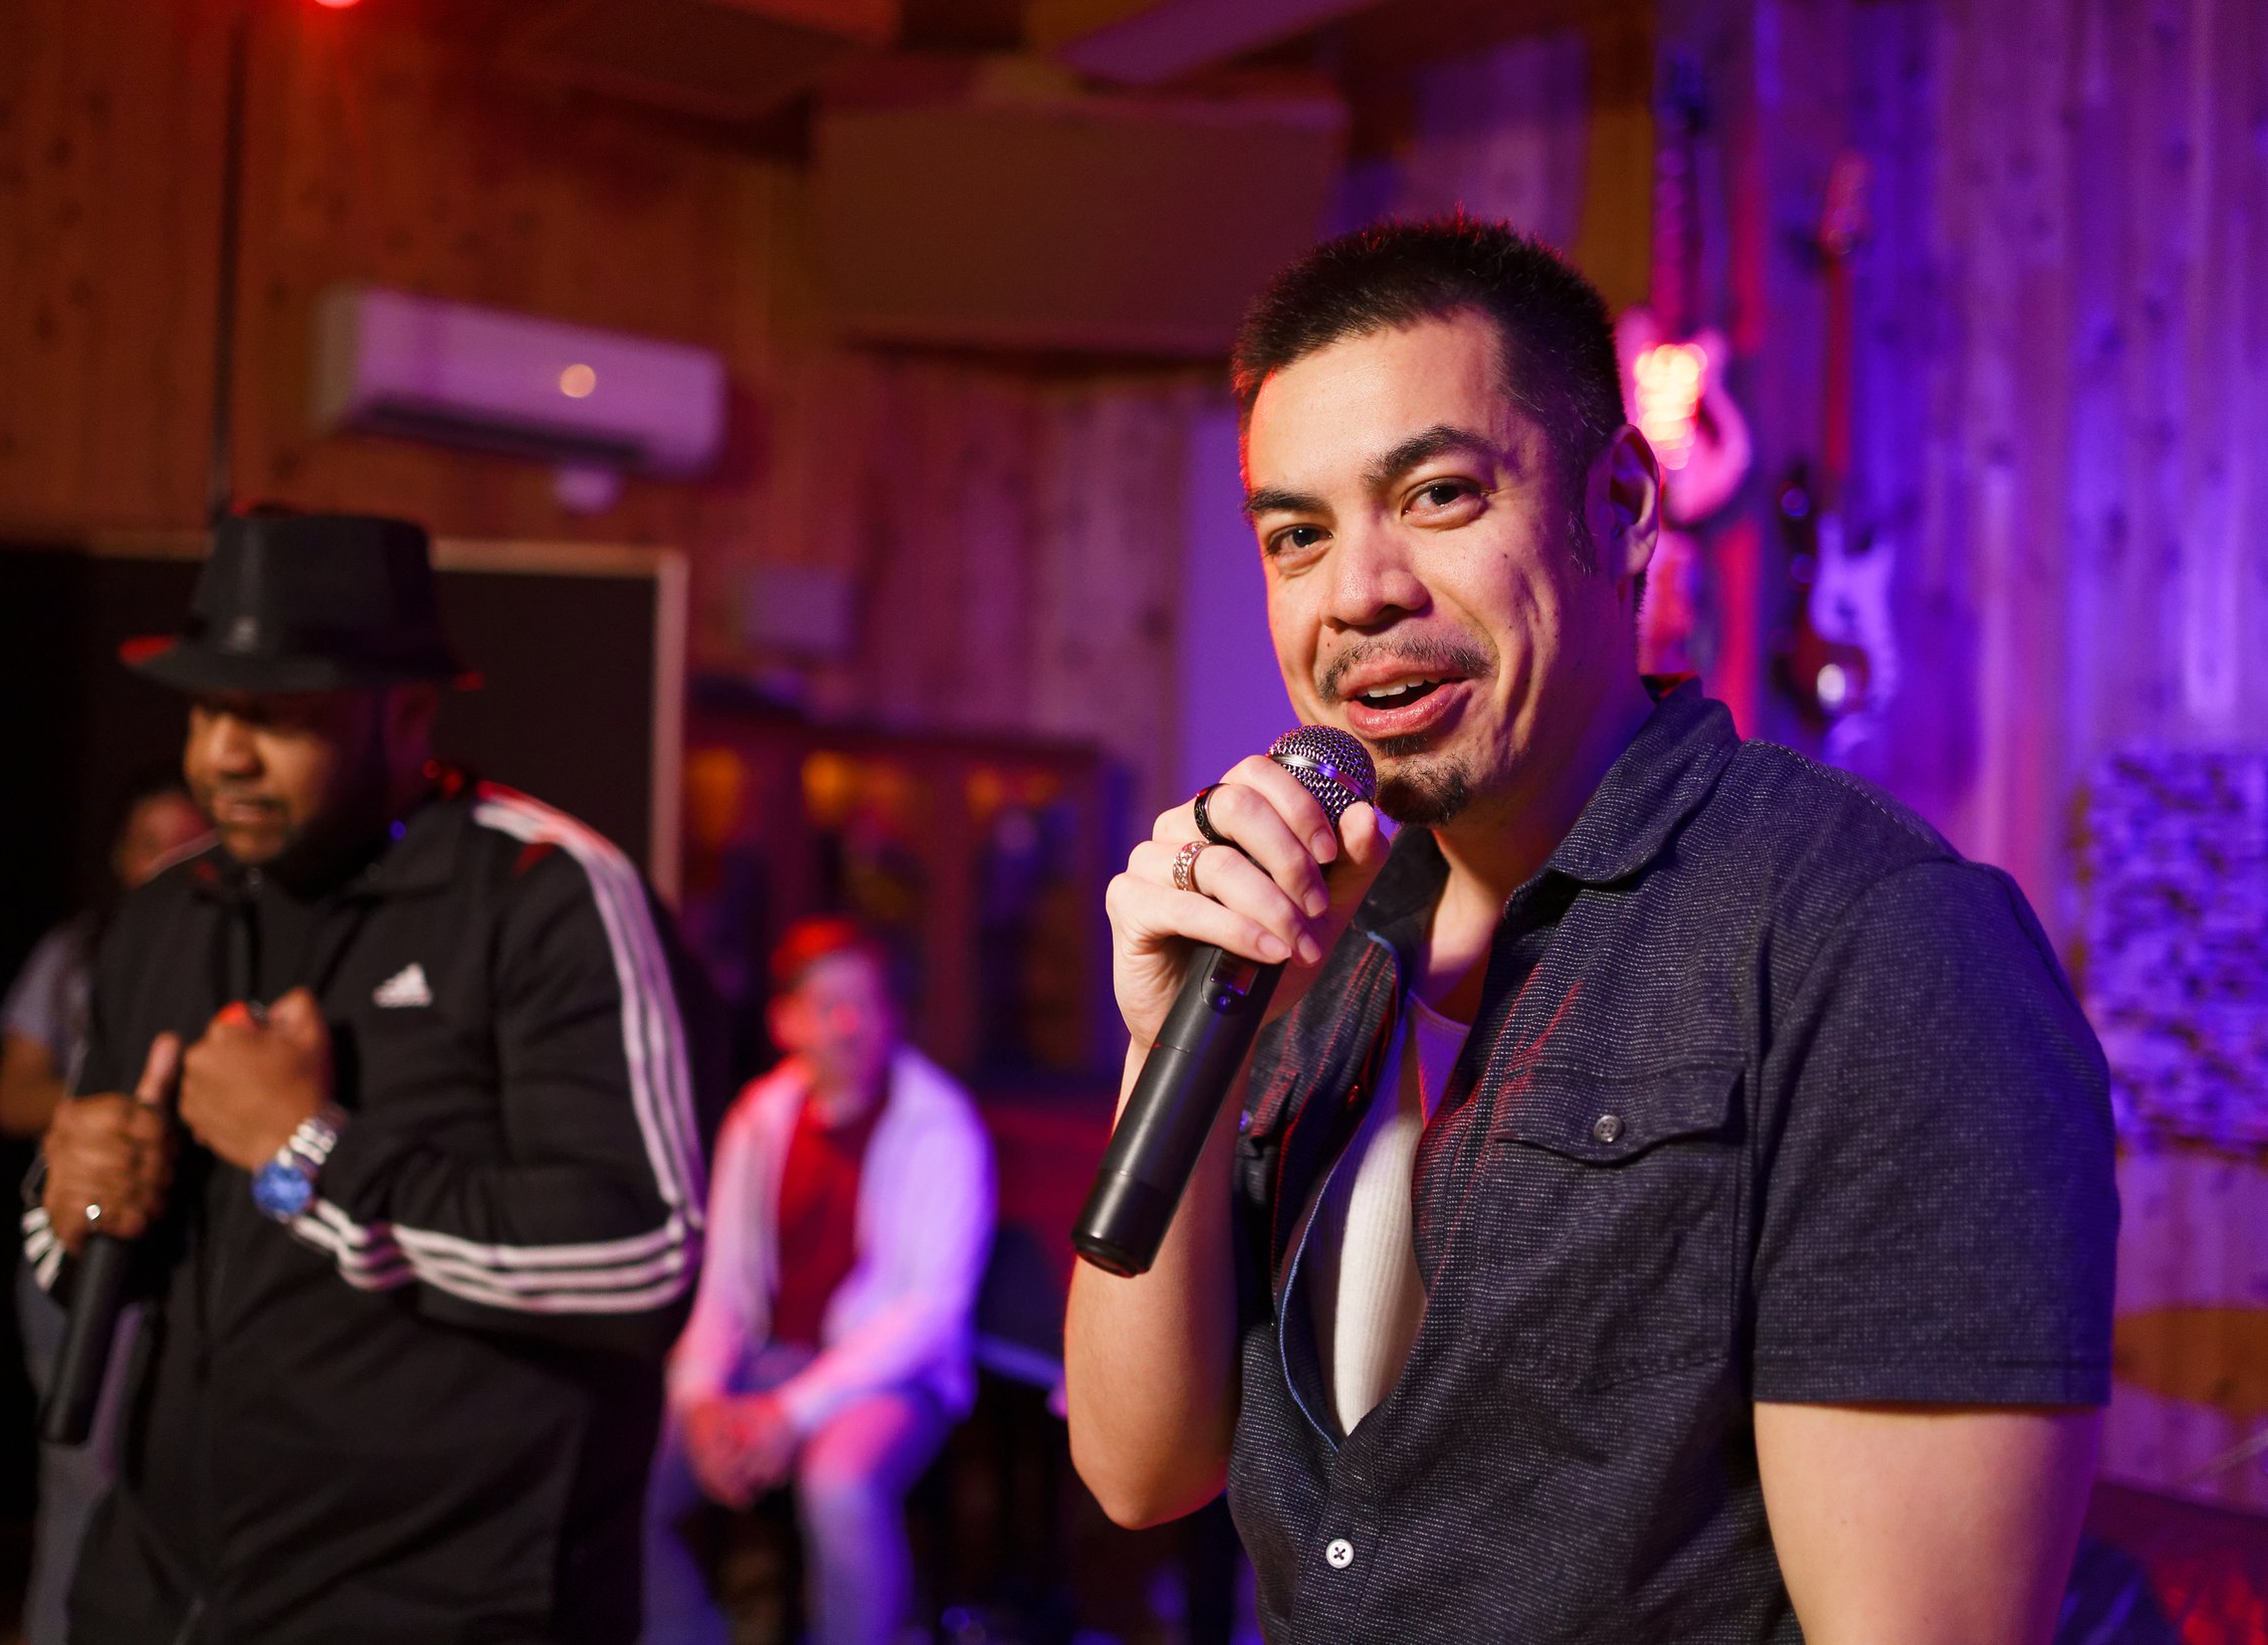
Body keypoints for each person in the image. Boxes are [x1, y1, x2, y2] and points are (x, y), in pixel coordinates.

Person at [1064, 217, 2117, 1643]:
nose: (1356, 591)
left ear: (1618, 503)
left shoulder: (1881, 946)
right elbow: (1138, 1468)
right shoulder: (1314, 935)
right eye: (1297, 535)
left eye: (1437, 494)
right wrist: (1166, 1041)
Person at [22, 511, 712, 1644]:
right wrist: (75, 1202)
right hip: (164, 1595)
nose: (223, 756)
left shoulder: (546, 896)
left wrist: (307, 1151)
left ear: (408, 713)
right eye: (207, 710)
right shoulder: (170, 909)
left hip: (441, 1605)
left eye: (276, 717)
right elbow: (82, 1237)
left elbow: (639, 1258)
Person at [646, 917, 996, 1645]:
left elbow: (929, 1313)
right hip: (769, 1362)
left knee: (840, 1486)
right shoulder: (759, 1118)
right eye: (829, 1005)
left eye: (866, 1002)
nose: (850, 1025)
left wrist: (790, 1412)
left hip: (892, 1377)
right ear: (785, 1022)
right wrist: (701, 1398)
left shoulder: (940, 1125)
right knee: (622, 1469)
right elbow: (724, 1288)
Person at [0, 772, 208, 1645]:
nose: (167, 860)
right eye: (150, 841)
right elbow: (12, 1094)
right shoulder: (78, 952)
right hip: (87, 1234)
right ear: (121, 855)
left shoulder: (240, 943)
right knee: (83, 1469)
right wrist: (111, 1111)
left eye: (185, 842)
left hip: (199, 1248)